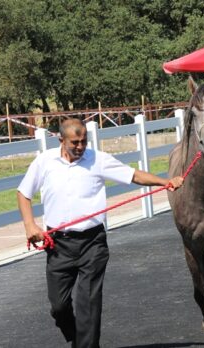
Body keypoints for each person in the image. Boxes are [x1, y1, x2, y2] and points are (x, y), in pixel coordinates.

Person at [17, 118, 184, 347]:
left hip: (92, 243)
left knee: (88, 305)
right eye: (74, 142)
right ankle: (79, 338)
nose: (80, 146)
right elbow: (23, 193)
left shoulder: (98, 160)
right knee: (58, 306)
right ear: (61, 140)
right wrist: (29, 225)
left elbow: (133, 175)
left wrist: (165, 182)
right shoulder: (44, 162)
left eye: (83, 141)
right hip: (58, 245)